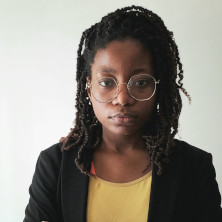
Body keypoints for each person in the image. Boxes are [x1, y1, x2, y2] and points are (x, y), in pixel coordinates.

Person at [23, 5, 222, 222]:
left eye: (141, 82)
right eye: (107, 82)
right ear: (89, 89)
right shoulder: (55, 164)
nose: (123, 98)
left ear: (158, 88)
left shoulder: (194, 167)